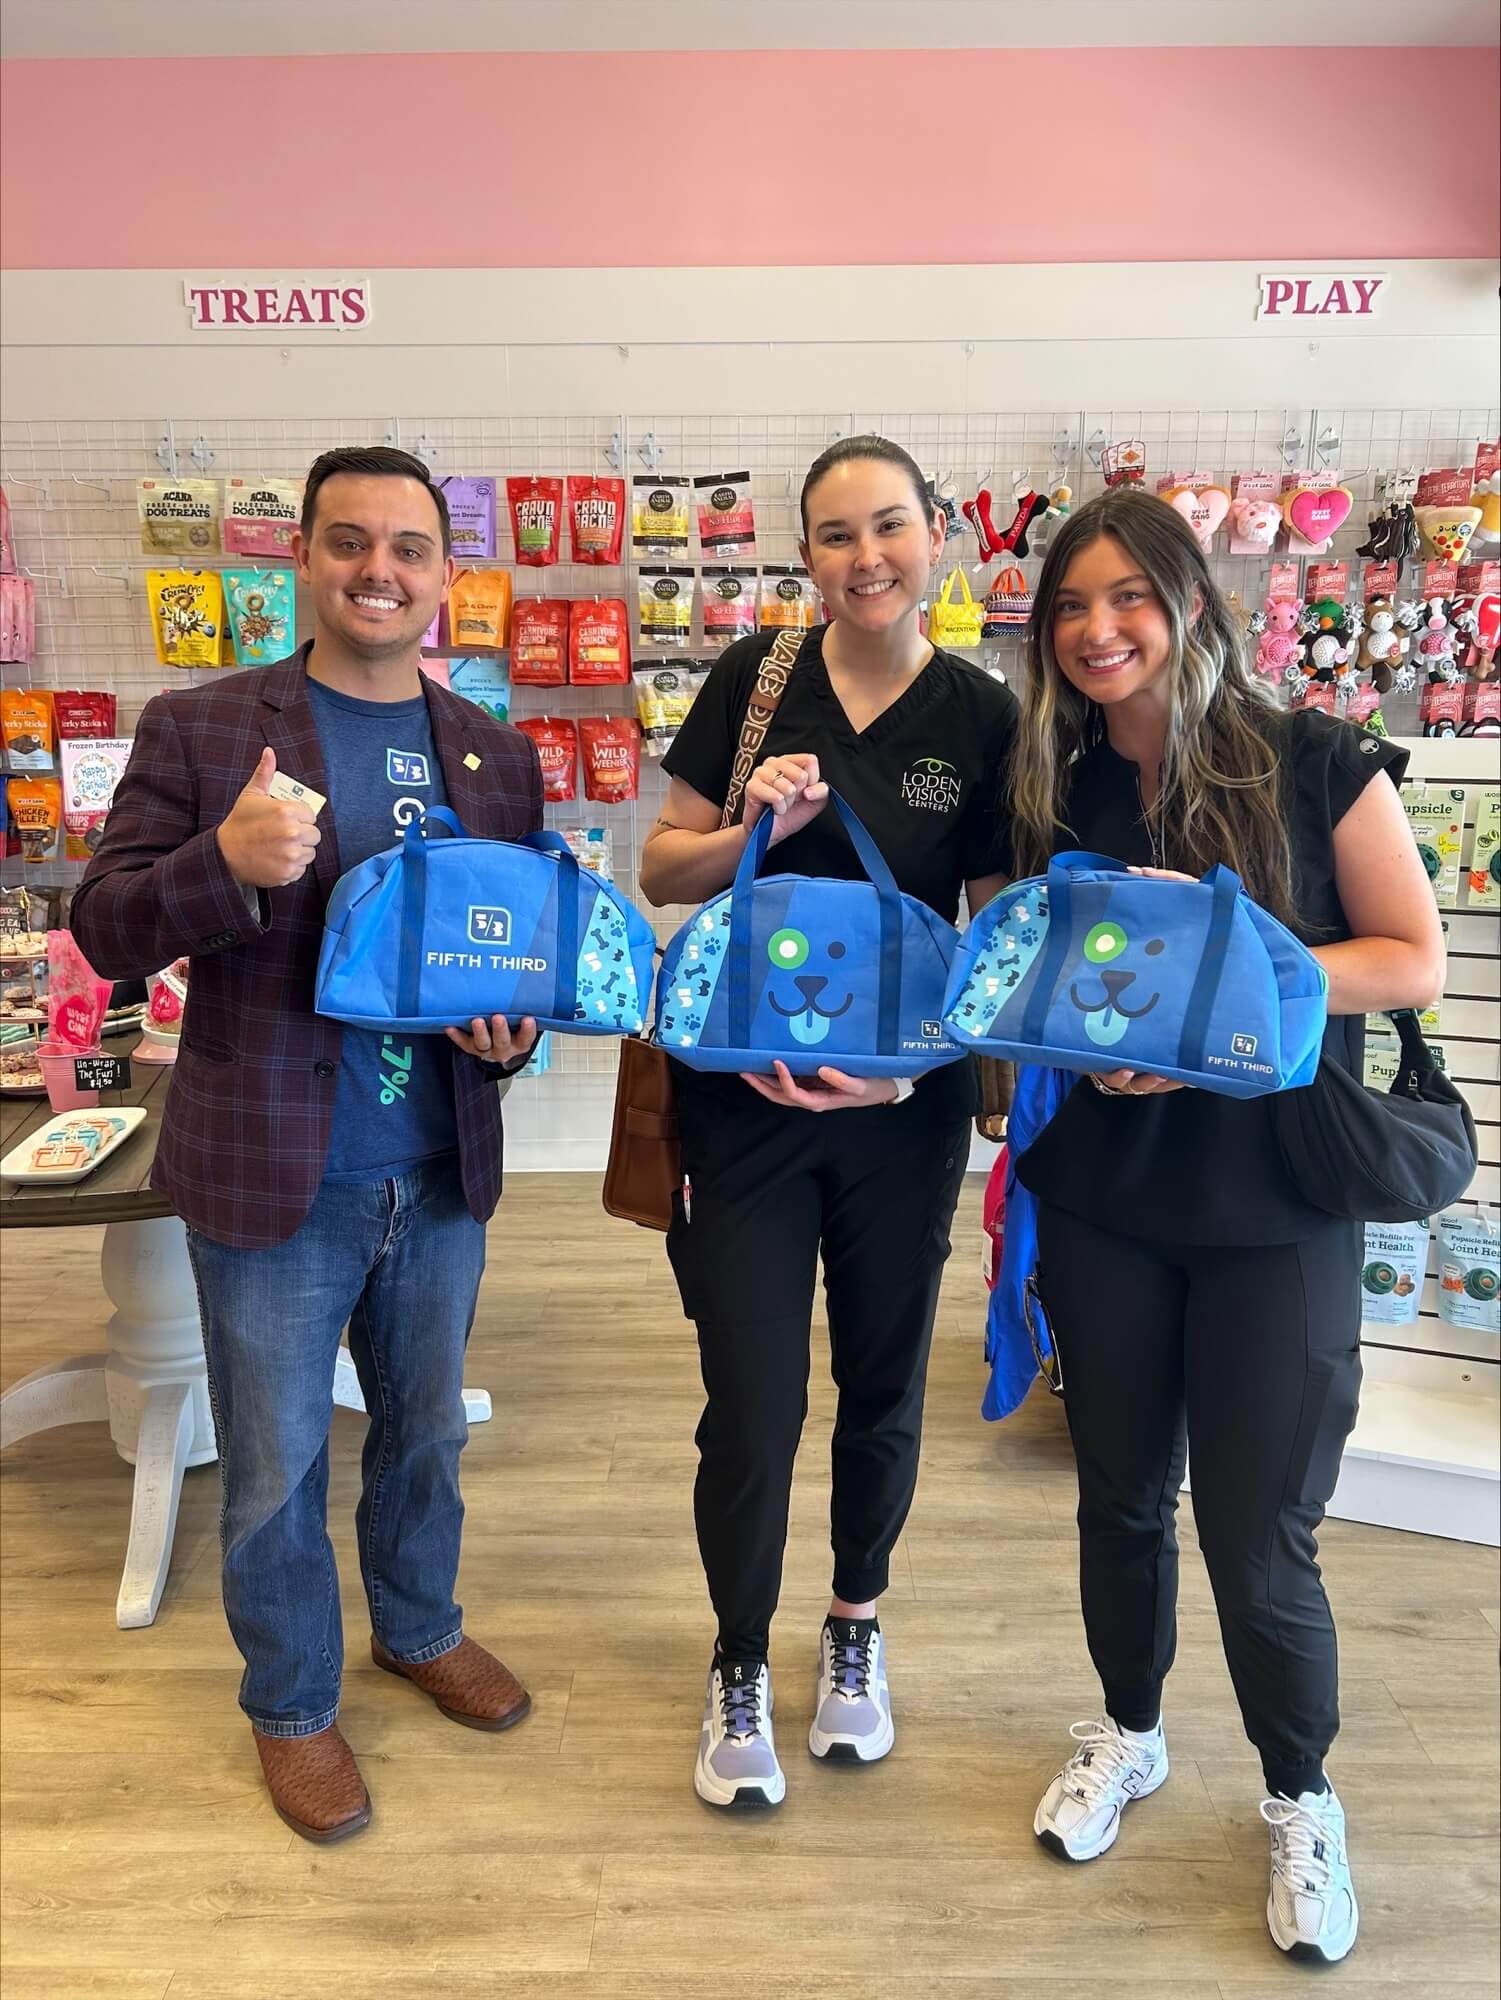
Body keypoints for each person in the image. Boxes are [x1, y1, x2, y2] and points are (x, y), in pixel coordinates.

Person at [71, 447, 545, 1843]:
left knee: (426, 1432)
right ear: (304, 561)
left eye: (408, 548)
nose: (377, 571)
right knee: (275, 1464)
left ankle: (419, 1626)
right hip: (274, 1169)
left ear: (445, 576)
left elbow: (515, 964)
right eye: (349, 542)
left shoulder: (497, 755)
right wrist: (221, 862)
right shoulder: (204, 727)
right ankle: (290, 1704)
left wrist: (516, 1040)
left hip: (438, 1167)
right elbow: (104, 928)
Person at [1003, 489, 1444, 1964]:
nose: (1097, 630)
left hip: (1278, 1208)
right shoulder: (1060, 788)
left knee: (1260, 1538)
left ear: (1191, 603)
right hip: (1110, 1203)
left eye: (1127, 596)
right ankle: (1129, 1731)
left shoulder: (1315, 758)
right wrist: (1081, 1041)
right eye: (1071, 606)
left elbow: (1408, 957)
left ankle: (1300, 1794)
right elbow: (1047, 982)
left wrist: (1218, 989)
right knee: (1120, 1503)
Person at [638, 436, 1018, 1809]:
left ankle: (855, 1621)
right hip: (738, 1103)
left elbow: (995, 939)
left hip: (900, 1115)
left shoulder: (983, 714)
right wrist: (750, 823)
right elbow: (663, 868)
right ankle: (738, 1656)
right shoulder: (753, 681)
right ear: (805, 555)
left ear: (936, 537)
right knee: (751, 1400)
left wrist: (910, 1079)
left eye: (890, 527)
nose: (868, 558)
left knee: (882, 1384)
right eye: (838, 535)